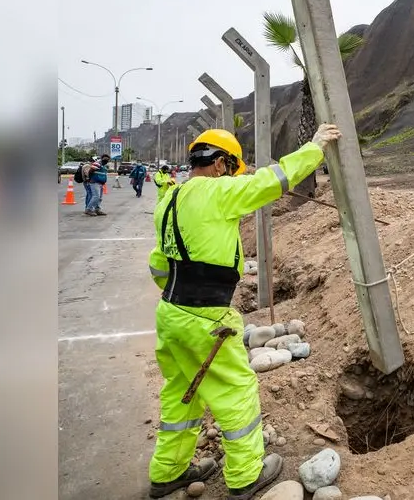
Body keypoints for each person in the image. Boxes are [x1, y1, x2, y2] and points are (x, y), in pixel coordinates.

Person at [145, 124, 341, 499]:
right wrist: (314, 149)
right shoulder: (217, 192)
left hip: (171, 312)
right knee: (236, 391)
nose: (234, 177)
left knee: (182, 393)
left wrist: (182, 296)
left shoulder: (169, 199)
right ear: (220, 164)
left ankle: (167, 472)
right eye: (232, 169)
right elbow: (273, 180)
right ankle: (246, 476)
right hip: (205, 317)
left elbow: (158, 265)